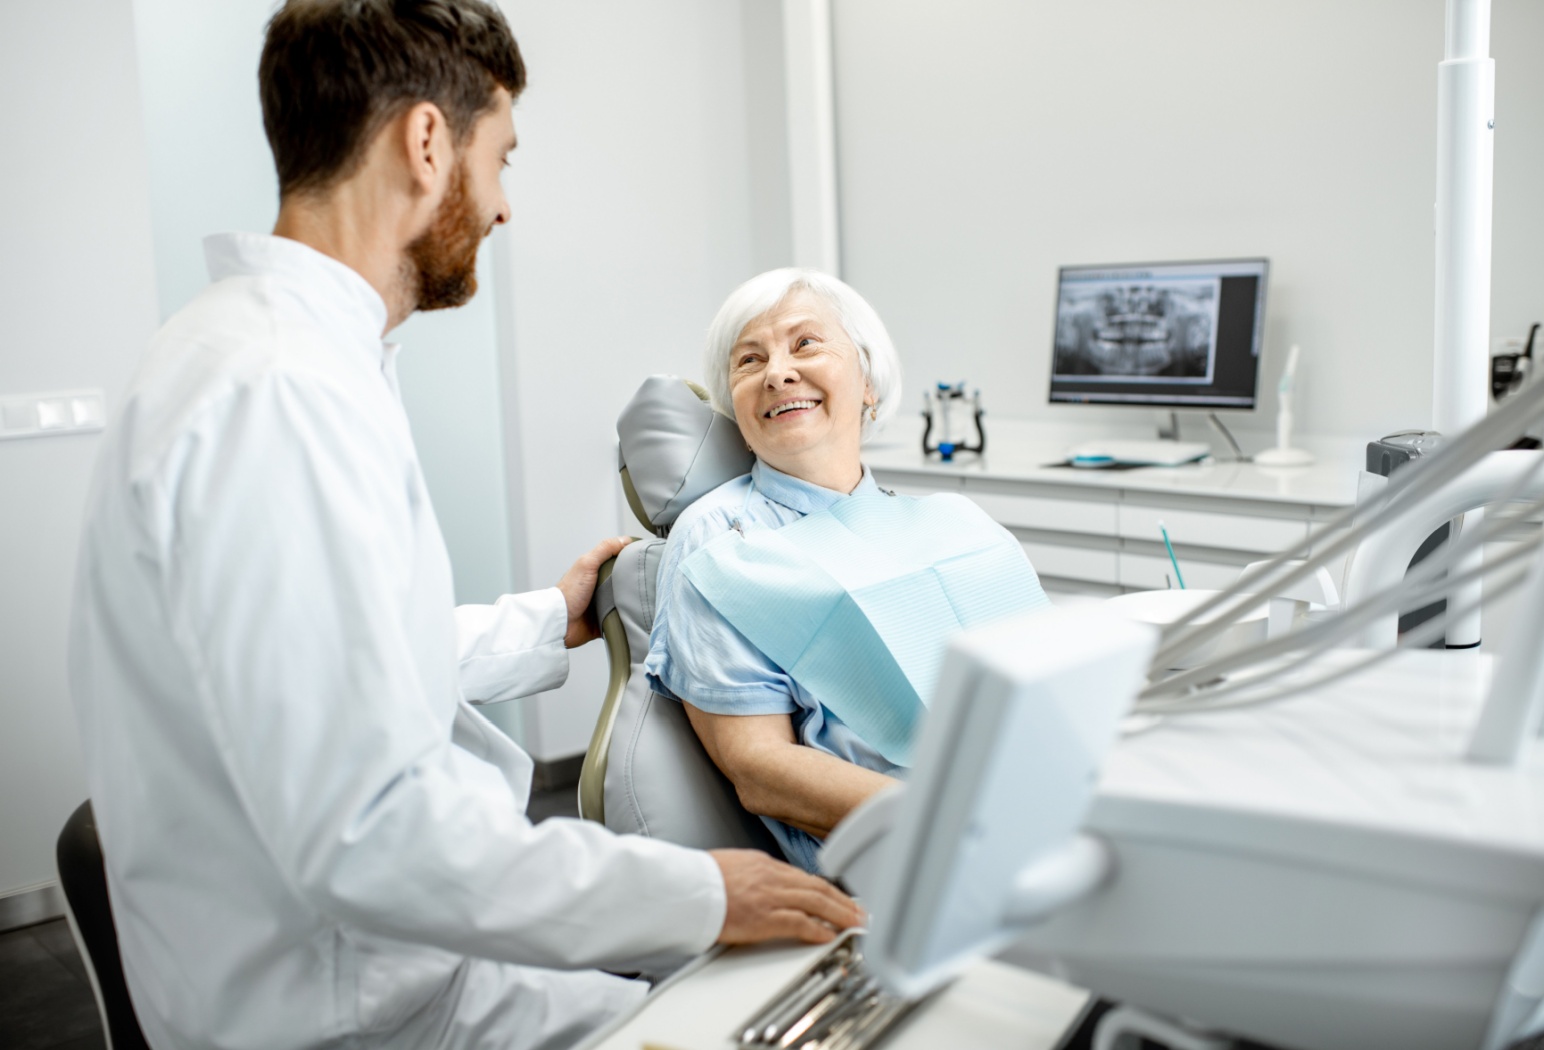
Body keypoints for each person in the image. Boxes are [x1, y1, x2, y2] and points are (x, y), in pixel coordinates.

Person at [66, 4, 860, 1049]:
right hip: (355, 1012)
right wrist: (702, 893)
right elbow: (371, 831)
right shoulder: (277, 395)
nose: (501, 207)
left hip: (402, 971)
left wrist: (546, 621)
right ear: (428, 142)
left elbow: (328, 669)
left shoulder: (251, 356)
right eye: (503, 159)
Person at [644, 269, 1048, 872]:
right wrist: (959, 820)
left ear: (868, 383)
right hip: (913, 856)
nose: (778, 372)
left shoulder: (951, 522)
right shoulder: (724, 538)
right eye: (749, 360)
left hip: (1036, 805)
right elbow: (760, 771)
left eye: (805, 344)